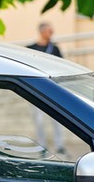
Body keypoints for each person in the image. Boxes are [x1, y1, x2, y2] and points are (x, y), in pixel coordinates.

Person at [27, 22, 65, 156]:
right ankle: (42, 146)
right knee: (39, 120)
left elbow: (61, 66)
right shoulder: (31, 49)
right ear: (42, 32)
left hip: (52, 89)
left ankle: (59, 145)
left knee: (57, 119)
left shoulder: (55, 49)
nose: (51, 34)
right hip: (37, 89)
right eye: (49, 31)